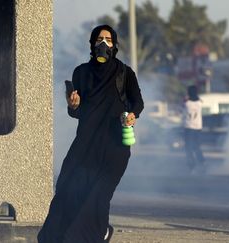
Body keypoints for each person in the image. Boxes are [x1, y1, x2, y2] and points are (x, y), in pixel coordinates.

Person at [38, 25, 144, 243]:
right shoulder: (81, 73)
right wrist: (74, 105)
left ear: (114, 44)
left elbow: (138, 102)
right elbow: (77, 113)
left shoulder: (125, 73)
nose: (103, 44)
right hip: (85, 146)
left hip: (114, 148)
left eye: (108, 39)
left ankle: (95, 235)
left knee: (98, 195)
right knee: (69, 189)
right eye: (98, 39)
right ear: (92, 44)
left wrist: (132, 114)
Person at [183, 85, 204, 171]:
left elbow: (183, 101)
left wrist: (187, 97)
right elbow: (200, 100)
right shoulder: (200, 103)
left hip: (189, 127)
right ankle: (202, 161)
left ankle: (191, 165)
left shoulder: (186, 103)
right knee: (196, 146)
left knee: (188, 147)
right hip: (198, 127)